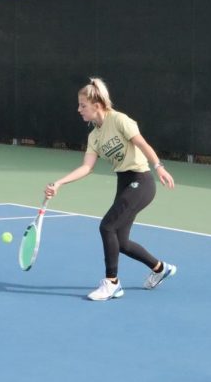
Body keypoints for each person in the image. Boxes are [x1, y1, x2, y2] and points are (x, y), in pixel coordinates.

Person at [44, 77, 177, 301]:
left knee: (107, 227)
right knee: (121, 242)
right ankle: (160, 268)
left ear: (97, 105)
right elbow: (87, 167)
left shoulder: (119, 120)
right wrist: (59, 183)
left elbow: (143, 144)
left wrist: (159, 167)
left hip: (141, 181)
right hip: (124, 182)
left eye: (82, 105)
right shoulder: (94, 136)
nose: (78, 110)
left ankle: (112, 283)